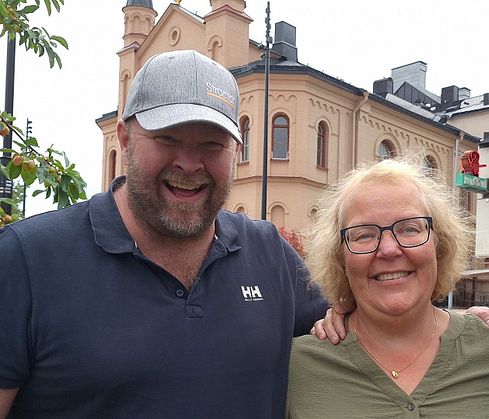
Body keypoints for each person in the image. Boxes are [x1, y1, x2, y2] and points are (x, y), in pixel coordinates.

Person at [0, 50, 327, 418]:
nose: (189, 163)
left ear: (235, 150)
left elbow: (366, 325)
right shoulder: (27, 260)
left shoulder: (269, 255)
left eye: (212, 144)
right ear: (124, 139)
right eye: (166, 138)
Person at [287, 158, 489, 418]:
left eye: (409, 228)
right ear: (339, 257)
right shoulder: (296, 368)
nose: (388, 249)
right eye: (364, 235)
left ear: (438, 244)